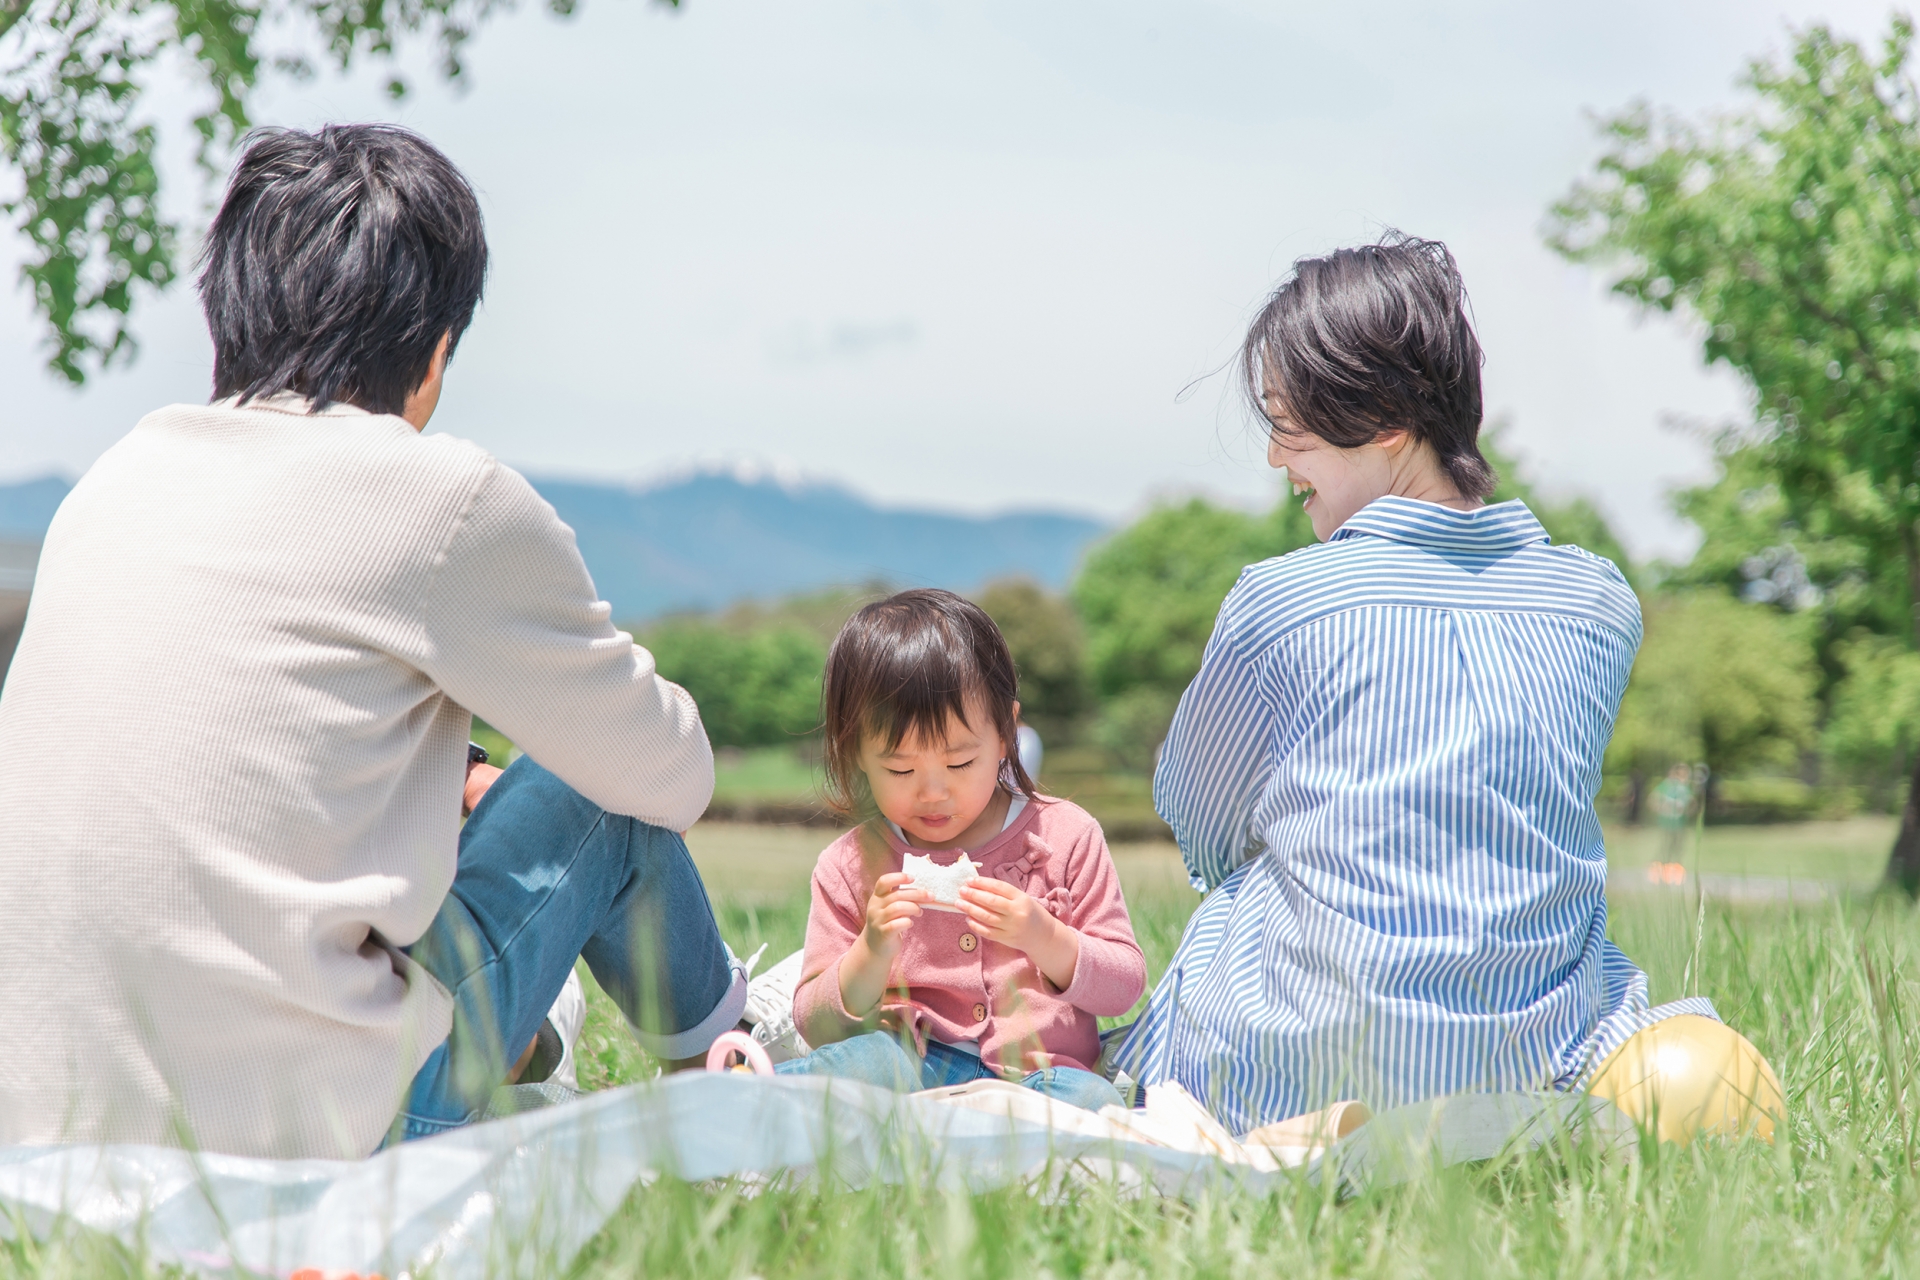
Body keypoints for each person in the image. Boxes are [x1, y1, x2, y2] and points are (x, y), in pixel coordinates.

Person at [0, 125, 746, 1159]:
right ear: (435, 350)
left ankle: (538, 1040)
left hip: (46, 1122)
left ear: (230, 309)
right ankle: (734, 1051)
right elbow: (669, 773)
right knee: (590, 804)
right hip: (304, 1134)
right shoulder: (442, 497)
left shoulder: (114, 478)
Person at [1111, 235, 1717, 1134]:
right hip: (1535, 1069)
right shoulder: (1597, 602)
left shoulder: (1279, 602)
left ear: (1387, 422)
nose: (1278, 459)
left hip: (1283, 1079)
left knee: (1242, 892)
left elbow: (1203, 829)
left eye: (1288, 423)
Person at [776, 590, 1144, 1113]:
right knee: (864, 1066)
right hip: (911, 1064)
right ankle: (741, 1097)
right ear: (855, 749)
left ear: (1005, 735)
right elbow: (816, 1025)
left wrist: (1044, 937)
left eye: (959, 763)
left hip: (1042, 1077)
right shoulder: (851, 864)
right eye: (900, 770)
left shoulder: (1065, 835)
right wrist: (872, 949)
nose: (932, 793)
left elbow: (1124, 986)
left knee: (1093, 1100)